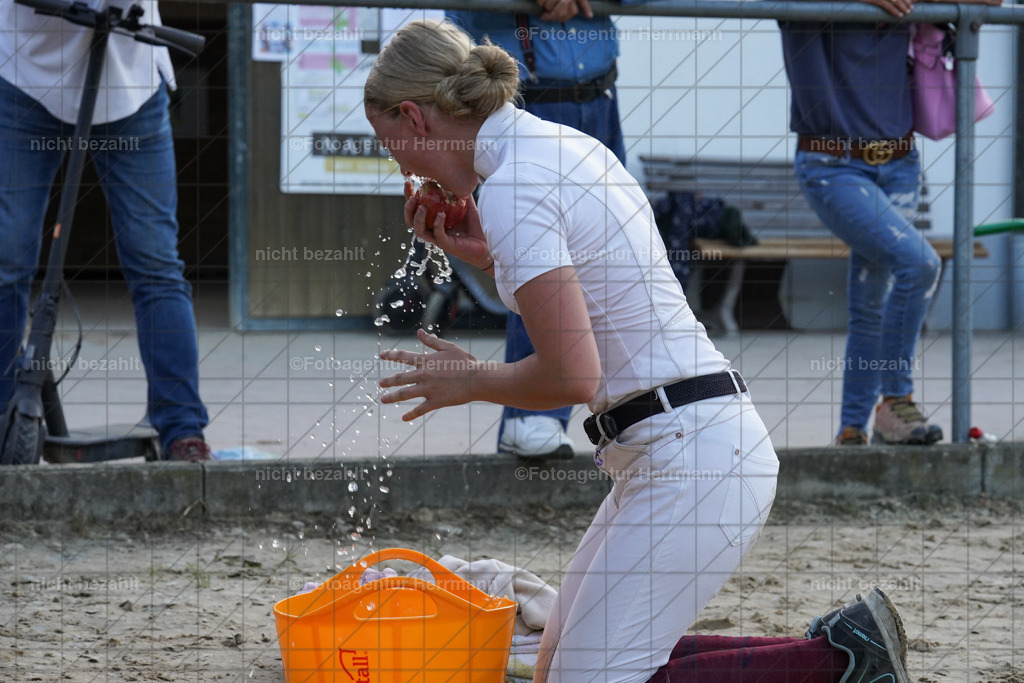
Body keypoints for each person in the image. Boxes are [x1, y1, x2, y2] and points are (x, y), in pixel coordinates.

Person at [365, 19, 909, 682]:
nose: (399, 163)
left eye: (387, 140)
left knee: (587, 678)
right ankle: (838, 653)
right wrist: (487, 255)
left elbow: (572, 373)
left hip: (691, 456)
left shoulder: (514, 186)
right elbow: (596, 294)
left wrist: (470, 378)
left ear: (414, 118)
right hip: (687, 444)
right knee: (557, 663)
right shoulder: (559, 149)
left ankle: (838, 662)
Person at [778, 0, 999, 447]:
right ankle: (896, 400)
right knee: (919, 264)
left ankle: (853, 430)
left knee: (870, 304)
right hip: (832, 164)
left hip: (900, 161)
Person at [0, 0, 211, 461]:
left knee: (155, 260)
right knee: (7, 255)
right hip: (25, 79)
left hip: (128, 82)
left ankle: (182, 429)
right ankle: (3, 417)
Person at [447, 0, 631, 460]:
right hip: (526, 99)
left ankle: (610, 408)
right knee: (541, 255)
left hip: (599, 97)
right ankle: (530, 418)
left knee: (601, 254)